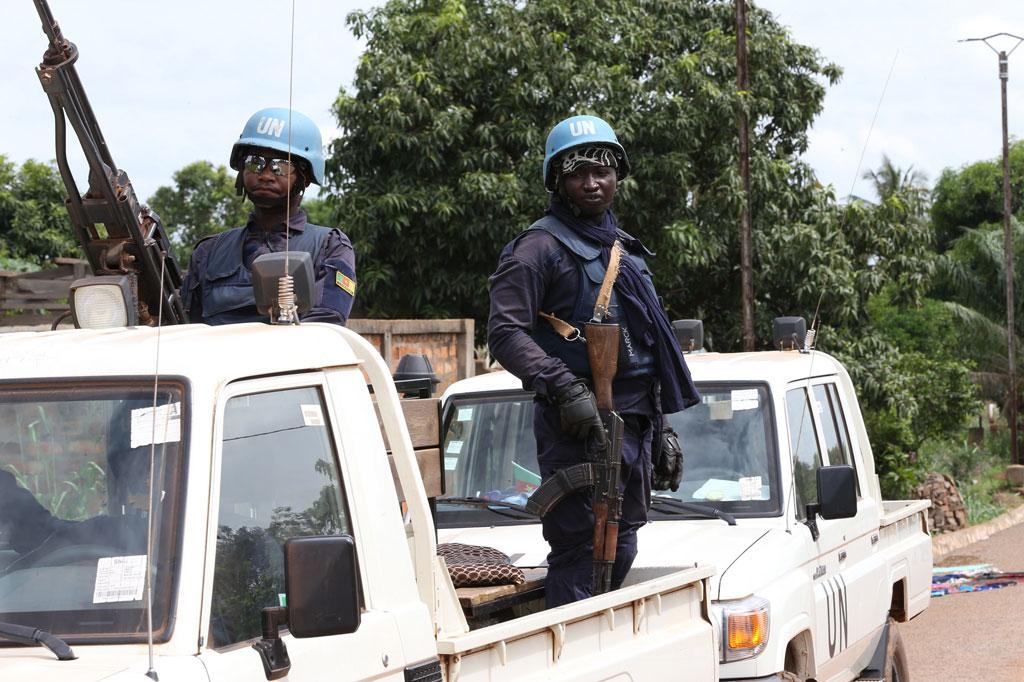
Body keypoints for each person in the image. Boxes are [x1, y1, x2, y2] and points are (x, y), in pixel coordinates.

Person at [487, 114, 699, 607]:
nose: (591, 183)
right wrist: (564, 386)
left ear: (617, 176)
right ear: (557, 181)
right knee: (581, 554)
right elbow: (505, 332)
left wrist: (662, 427)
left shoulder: (625, 252)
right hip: (576, 423)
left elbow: (646, 348)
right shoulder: (537, 249)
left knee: (621, 545)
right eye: (578, 174)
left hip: (636, 420)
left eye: (602, 172)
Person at [181, 108, 356, 325]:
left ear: (305, 176)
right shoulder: (208, 252)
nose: (265, 175)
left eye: (281, 166)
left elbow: (326, 323)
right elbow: (184, 328)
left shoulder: (330, 246)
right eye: (255, 162)